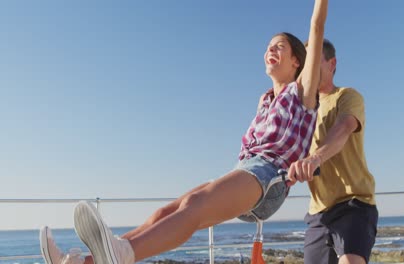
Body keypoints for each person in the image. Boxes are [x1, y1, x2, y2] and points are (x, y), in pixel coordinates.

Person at [39, 1, 329, 263]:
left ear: (297, 62)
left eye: (279, 46)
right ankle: (86, 262)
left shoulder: (302, 93)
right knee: (166, 212)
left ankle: (121, 254)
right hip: (244, 171)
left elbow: (316, 29)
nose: (270, 50)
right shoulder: (265, 100)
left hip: (269, 179)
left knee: (193, 205)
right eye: (268, 46)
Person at [287, 39, 378, 264]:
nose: (307, 69)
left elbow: (344, 127)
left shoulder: (347, 96)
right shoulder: (300, 113)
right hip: (318, 214)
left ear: (332, 63)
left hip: (354, 203)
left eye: (314, 61)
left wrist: (315, 158)